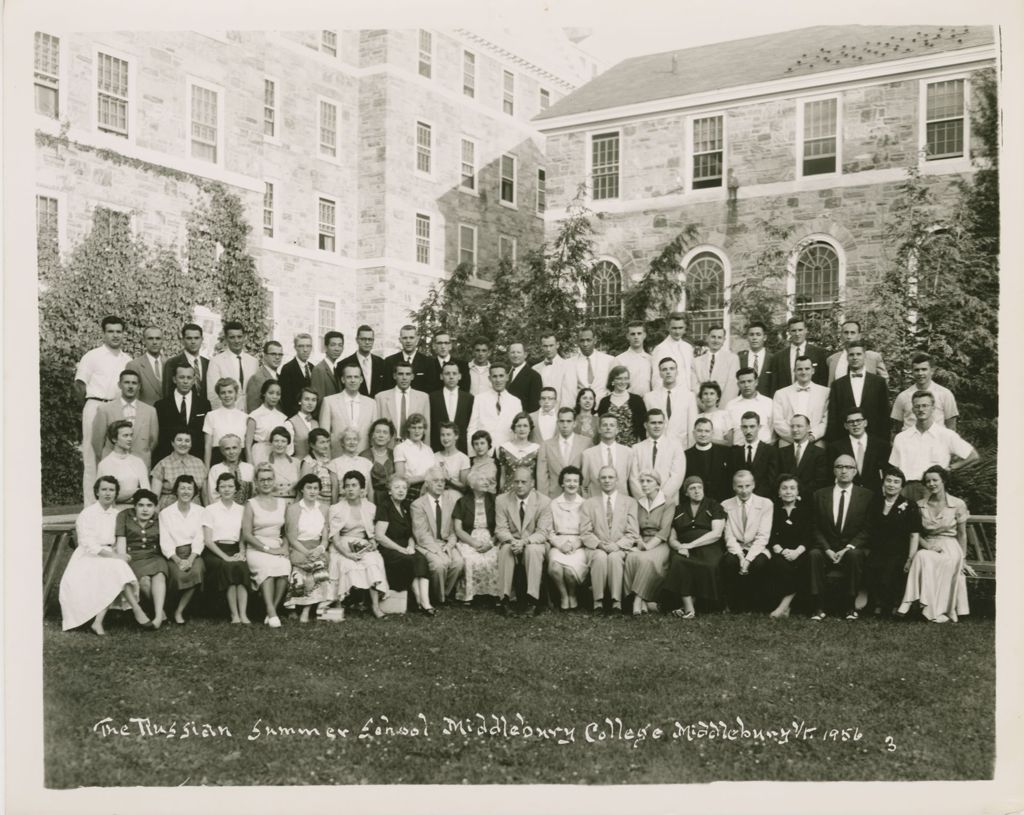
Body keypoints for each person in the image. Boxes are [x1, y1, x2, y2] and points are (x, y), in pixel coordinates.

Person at [60, 475, 154, 633]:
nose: (107, 493)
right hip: (88, 556)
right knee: (115, 567)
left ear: (116, 493)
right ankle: (137, 610)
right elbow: (88, 543)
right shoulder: (87, 513)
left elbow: (120, 538)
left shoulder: (118, 514)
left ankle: (99, 621)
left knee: (116, 567)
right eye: (104, 489)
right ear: (97, 492)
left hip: (111, 553)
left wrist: (119, 552)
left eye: (112, 490)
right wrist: (115, 556)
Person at [897, 465, 974, 623]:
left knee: (921, 557)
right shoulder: (920, 505)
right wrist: (927, 546)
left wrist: (963, 559)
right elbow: (915, 533)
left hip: (951, 547)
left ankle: (908, 602)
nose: (931, 484)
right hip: (928, 544)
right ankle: (925, 608)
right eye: (928, 481)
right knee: (923, 555)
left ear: (943, 481)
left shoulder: (957, 504)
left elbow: (962, 534)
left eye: (935, 480)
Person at [808, 455, 876, 621]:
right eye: (839, 467)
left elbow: (867, 528)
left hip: (851, 549)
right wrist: (827, 549)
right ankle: (818, 607)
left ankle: (849, 606)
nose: (844, 471)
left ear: (855, 471)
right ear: (834, 470)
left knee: (855, 555)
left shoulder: (867, 496)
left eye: (848, 467)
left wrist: (848, 548)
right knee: (814, 555)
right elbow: (815, 527)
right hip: (827, 548)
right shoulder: (819, 495)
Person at [889, 391, 979, 500]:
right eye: (917, 406)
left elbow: (973, 456)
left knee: (931, 517)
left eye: (925, 406)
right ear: (913, 410)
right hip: (906, 489)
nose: (921, 409)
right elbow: (895, 468)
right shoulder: (902, 437)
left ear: (933, 408)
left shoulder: (946, 435)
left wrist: (950, 468)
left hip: (932, 488)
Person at [662, 475, 726, 618]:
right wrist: (679, 547)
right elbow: (672, 536)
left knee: (710, 564)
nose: (697, 491)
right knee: (679, 561)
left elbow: (716, 533)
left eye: (699, 487)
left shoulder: (713, 505)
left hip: (708, 545)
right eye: (692, 488)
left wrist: (691, 545)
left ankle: (694, 604)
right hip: (683, 546)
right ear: (686, 493)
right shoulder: (679, 509)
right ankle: (689, 607)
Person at [580, 464, 641, 613]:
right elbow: (585, 532)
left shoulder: (630, 502)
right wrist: (599, 544)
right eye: (603, 478)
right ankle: (598, 602)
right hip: (597, 547)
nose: (607, 480)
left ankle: (616, 602)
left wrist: (618, 545)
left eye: (610, 477)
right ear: (599, 480)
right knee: (600, 557)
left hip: (620, 547)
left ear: (617, 480)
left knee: (614, 558)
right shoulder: (589, 503)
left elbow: (633, 532)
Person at [495, 466, 552, 615]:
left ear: (532, 483)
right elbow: (501, 529)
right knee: (506, 550)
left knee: (533, 551)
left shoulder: (544, 501)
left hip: (534, 542)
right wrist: (513, 541)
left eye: (523, 482)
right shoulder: (502, 500)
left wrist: (524, 542)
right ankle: (504, 599)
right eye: (516, 481)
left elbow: (542, 532)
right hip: (511, 541)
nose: (519, 485)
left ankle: (532, 600)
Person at [374, 474, 434, 615]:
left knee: (420, 558)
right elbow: (380, 536)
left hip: (405, 547)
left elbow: (410, 534)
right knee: (409, 560)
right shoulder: (385, 506)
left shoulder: (406, 507)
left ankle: (425, 602)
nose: (401, 491)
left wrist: (411, 546)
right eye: (397, 487)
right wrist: (401, 549)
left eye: (404, 488)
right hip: (388, 548)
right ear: (389, 490)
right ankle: (420, 600)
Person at [866, 465, 922, 616]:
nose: (891, 484)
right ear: (883, 483)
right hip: (877, 548)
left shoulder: (910, 505)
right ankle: (875, 604)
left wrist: (910, 558)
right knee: (873, 567)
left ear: (902, 486)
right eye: (888, 481)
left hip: (899, 550)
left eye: (896, 482)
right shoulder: (875, 502)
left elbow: (914, 534)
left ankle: (890, 605)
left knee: (890, 570)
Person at [241, 461, 291, 627]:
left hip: (276, 545)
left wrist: (283, 547)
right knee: (267, 569)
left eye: (269, 479)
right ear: (256, 482)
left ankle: (272, 612)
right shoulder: (250, 504)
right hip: (257, 547)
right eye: (262, 479)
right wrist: (267, 550)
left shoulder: (282, 503)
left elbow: (286, 532)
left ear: (274, 480)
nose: (266, 483)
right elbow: (247, 534)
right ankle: (271, 611)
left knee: (284, 568)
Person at [201, 472, 252, 624]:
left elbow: (243, 535)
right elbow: (208, 541)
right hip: (215, 551)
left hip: (235, 548)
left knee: (241, 566)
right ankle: (234, 614)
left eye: (230, 486)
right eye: (222, 486)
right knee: (229, 566)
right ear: (217, 489)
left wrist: (242, 551)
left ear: (236, 489)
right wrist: (225, 557)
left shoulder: (242, 509)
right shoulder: (210, 509)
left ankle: (243, 614)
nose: (227, 489)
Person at [720, 469, 773, 612]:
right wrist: (739, 555)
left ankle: (754, 604)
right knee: (730, 562)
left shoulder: (765, 504)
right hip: (736, 547)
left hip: (756, 547)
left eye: (747, 486)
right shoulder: (726, 505)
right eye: (740, 486)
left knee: (759, 563)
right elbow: (729, 535)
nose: (744, 490)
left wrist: (748, 559)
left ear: (754, 485)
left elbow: (763, 536)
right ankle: (734, 604)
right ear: (733, 487)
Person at [410, 467, 465, 604]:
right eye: (436, 481)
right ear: (427, 483)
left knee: (458, 563)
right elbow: (421, 534)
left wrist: (450, 545)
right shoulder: (417, 505)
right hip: (427, 545)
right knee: (440, 564)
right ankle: (437, 598)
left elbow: (454, 529)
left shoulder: (450, 500)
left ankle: (445, 594)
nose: (440, 484)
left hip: (446, 543)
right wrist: (438, 551)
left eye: (442, 481)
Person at [115, 488, 168, 628]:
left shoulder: (160, 518)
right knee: (144, 582)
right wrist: (122, 558)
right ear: (135, 506)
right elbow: (121, 539)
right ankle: (160, 611)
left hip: (154, 555)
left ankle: (157, 617)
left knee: (160, 575)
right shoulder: (124, 516)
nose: (145, 509)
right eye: (141, 505)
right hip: (134, 557)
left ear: (154, 507)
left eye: (149, 505)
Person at [283, 474, 332, 622]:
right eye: (309, 488)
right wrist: (306, 552)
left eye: (316, 488)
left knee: (318, 566)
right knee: (304, 570)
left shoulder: (324, 508)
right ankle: (297, 607)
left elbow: (325, 538)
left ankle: (306, 609)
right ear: (302, 490)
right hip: (299, 547)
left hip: (317, 548)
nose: (312, 491)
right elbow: (291, 537)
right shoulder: (293, 509)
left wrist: (320, 549)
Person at [158, 474, 207, 624]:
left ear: (194, 492)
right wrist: (178, 560)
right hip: (174, 554)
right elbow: (165, 541)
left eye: (189, 488)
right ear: (176, 491)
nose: (186, 492)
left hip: (194, 553)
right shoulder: (165, 513)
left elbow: (200, 538)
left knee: (197, 572)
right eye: (183, 488)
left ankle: (179, 611)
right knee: (178, 575)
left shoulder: (200, 511)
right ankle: (169, 607)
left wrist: (191, 559)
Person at [625, 470, 674, 615]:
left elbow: (665, 530)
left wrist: (647, 546)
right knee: (631, 558)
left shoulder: (668, 502)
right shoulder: (638, 502)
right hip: (641, 541)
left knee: (647, 560)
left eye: (649, 481)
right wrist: (639, 541)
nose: (644, 484)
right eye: (642, 481)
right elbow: (633, 526)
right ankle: (637, 599)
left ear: (658, 485)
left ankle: (638, 600)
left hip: (660, 543)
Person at [541, 465, 589, 610]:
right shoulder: (553, 504)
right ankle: (563, 595)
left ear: (579, 483)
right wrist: (559, 545)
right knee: (555, 567)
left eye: (575, 481)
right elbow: (548, 530)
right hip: (559, 542)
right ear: (562, 483)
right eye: (568, 481)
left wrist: (576, 544)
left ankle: (573, 595)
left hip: (578, 543)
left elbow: (588, 530)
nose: (571, 484)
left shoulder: (586, 504)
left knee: (569, 571)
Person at [766, 474, 812, 619]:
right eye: (784, 488)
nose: (788, 491)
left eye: (792, 488)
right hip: (779, 551)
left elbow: (809, 535)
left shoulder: (806, 510)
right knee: (778, 565)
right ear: (778, 492)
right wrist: (781, 550)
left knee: (803, 565)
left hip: (800, 551)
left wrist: (797, 552)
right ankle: (786, 606)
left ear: (798, 491)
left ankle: (783, 607)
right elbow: (769, 534)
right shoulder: (772, 509)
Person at [91, 369, 159, 468]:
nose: (130, 386)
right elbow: (97, 442)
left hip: (140, 464)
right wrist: (106, 461)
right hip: (113, 465)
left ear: (139, 386)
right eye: (126, 382)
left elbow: (153, 441)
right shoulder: (104, 410)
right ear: (119, 385)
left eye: (134, 383)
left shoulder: (150, 411)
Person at [453, 469, 501, 604]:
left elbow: (501, 525)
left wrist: (491, 543)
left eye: (487, 480)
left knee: (494, 557)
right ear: (472, 485)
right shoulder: (462, 502)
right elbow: (458, 529)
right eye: (481, 480)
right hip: (469, 538)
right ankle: (470, 595)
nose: (486, 482)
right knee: (470, 558)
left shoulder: (495, 500)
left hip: (491, 537)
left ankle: (495, 594)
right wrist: (473, 542)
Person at [826, 342, 889, 442]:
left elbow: (884, 414)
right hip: (844, 439)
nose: (855, 357)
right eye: (851, 354)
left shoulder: (879, 382)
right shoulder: (837, 385)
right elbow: (833, 417)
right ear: (847, 358)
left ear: (865, 356)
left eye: (858, 354)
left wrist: (885, 441)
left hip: (874, 439)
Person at [153, 363, 210, 464]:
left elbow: (205, 437)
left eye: (189, 378)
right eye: (181, 377)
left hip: (196, 461)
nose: (185, 381)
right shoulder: (161, 405)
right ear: (174, 379)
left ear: (194, 380)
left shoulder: (204, 404)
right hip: (169, 461)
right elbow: (158, 438)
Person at [890, 353, 959, 432]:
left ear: (932, 370)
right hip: (911, 442)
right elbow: (898, 427)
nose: (920, 373)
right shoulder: (903, 396)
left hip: (936, 442)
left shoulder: (945, 394)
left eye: (924, 369)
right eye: (916, 370)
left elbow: (951, 427)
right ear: (912, 371)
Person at [827, 409, 890, 494]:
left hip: (874, 494)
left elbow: (887, 472)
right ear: (846, 426)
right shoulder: (835, 447)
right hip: (848, 495)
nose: (855, 424)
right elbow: (831, 476)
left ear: (865, 423)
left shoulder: (881, 445)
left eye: (858, 420)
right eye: (851, 422)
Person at [628, 408, 685, 501]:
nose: (657, 426)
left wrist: (660, 498)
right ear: (646, 425)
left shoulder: (675, 446)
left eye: (660, 423)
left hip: (668, 500)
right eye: (653, 423)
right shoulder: (636, 448)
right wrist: (643, 498)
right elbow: (633, 478)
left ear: (664, 424)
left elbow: (677, 476)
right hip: (643, 502)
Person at [321, 362, 377, 456]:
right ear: (343, 379)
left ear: (361, 379)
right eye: (349, 377)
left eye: (356, 377)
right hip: (337, 455)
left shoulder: (371, 403)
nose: (353, 380)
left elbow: (374, 434)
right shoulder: (329, 401)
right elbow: (323, 434)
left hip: (364, 456)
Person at [772, 356, 829, 446]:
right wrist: (795, 437)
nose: (803, 372)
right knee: (782, 445)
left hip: (814, 439)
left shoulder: (825, 392)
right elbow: (778, 422)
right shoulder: (781, 393)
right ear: (794, 371)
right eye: (799, 369)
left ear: (813, 371)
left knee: (820, 446)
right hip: (789, 439)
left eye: (807, 369)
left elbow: (825, 421)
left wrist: (812, 436)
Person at [537, 407, 591, 498]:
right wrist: (544, 500)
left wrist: (586, 497)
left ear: (574, 423)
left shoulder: (586, 443)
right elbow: (542, 477)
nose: (565, 425)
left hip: (579, 497)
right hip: (554, 496)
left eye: (569, 421)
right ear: (557, 423)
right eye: (562, 421)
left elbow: (589, 474)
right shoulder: (546, 445)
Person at [645, 358, 698, 449]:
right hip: (657, 448)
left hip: (681, 448)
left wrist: (690, 451)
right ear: (660, 373)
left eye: (671, 369)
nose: (668, 372)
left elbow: (692, 426)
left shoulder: (689, 396)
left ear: (677, 372)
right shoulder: (649, 397)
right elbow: (647, 428)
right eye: (664, 369)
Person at [467, 362, 523, 450]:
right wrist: (473, 454)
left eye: (501, 376)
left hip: (508, 451)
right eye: (494, 376)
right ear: (489, 378)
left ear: (507, 377)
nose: (498, 380)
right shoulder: (479, 399)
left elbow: (518, 429)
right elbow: (472, 428)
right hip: (484, 451)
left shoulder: (515, 402)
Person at [150, 428, 207, 511]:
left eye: (187, 441)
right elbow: (154, 497)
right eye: (179, 440)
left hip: (195, 510)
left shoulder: (199, 463)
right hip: (169, 510)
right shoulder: (163, 464)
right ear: (173, 443)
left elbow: (205, 494)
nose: (183, 444)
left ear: (191, 444)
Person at [96, 420, 150, 508]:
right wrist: (135, 491)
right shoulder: (105, 464)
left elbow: (146, 492)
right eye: (125, 436)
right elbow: (106, 496)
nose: (130, 439)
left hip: (136, 510)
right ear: (114, 439)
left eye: (131, 435)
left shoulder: (138, 462)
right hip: (113, 511)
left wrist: (124, 496)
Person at [727, 412, 779, 498]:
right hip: (740, 499)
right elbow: (731, 479)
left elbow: (771, 479)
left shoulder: (770, 451)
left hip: (763, 499)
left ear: (759, 427)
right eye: (745, 427)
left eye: (752, 426)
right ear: (741, 428)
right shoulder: (735, 452)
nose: (748, 431)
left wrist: (755, 498)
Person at [375, 361, 430, 442]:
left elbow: (426, 429)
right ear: (394, 376)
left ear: (412, 376)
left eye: (408, 374)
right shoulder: (381, 397)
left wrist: (425, 450)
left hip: (413, 446)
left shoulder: (423, 397)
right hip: (388, 446)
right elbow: (376, 427)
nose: (404, 378)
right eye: (400, 374)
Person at [207, 321, 257, 409]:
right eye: (232, 337)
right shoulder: (216, 361)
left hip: (250, 414)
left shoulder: (253, 361)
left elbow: (255, 392)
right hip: (227, 415)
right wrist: (225, 415)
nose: (236, 341)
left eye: (239, 337)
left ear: (244, 337)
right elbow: (213, 394)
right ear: (226, 339)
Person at [580, 414, 632, 497]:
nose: (608, 428)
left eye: (612, 425)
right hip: (596, 503)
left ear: (617, 430)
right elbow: (584, 485)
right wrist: (588, 502)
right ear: (599, 429)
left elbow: (630, 480)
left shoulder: (628, 452)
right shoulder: (588, 454)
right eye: (605, 425)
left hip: (621, 502)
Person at [771, 316, 828, 389]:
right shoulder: (778, 357)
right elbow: (775, 385)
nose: (797, 334)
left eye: (800, 330)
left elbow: (823, 381)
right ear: (789, 332)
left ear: (806, 330)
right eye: (794, 331)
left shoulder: (819, 354)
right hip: (787, 398)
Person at [202, 377, 249, 468]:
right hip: (218, 459)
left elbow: (246, 446)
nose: (227, 395)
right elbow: (207, 446)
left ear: (236, 394)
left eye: (230, 392)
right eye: (223, 392)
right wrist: (207, 468)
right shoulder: (211, 416)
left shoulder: (245, 417)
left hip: (240, 459)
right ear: (219, 395)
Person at [778, 415, 828, 498]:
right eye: (792, 426)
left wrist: (798, 493)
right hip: (785, 499)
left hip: (809, 500)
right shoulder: (781, 452)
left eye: (799, 426)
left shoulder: (819, 453)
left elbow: (820, 481)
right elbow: (778, 479)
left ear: (808, 428)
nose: (794, 430)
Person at [428, 360, 474, 452]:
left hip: (462, 447)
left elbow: (470, 424)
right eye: (447, 374)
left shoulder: (469, 398)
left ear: (459, 376)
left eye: (454, 373)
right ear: (441, 376)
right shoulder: (432, 397)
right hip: (438, 447)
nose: (451, 377)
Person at [597, 365, 647, 446]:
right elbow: (601, 427)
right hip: (610, 446)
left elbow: (643, 427)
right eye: (619, 378)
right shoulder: (604, 402)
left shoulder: (637, 400)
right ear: (612, 380)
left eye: (626, 378)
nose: (623, 382)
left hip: (632, 447)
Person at [685, 418, 731, 503]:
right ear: (693, 433)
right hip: (696, 505)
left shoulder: (725, 453)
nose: (703, 434)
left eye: (707, 431)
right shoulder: (686, 456)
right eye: (699, 431)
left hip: (721, 503)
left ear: (712, 433)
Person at [827, 320, 888, 384]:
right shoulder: (832, 359)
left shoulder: (873, 358)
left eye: (852, 333)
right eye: (846, 333)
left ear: (859, 336)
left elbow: (884, 382)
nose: (849, 337)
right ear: (841, 335)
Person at [690, 325, 739, 404]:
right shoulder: (696, 362)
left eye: (719, 337)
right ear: (707, 338)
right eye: (713, 337)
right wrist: (704, 404)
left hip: (723, 407)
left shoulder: (732, 359)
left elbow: (732, 388)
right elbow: (694, 386)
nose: (716, 340)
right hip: (702, 406)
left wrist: (720, 408)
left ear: (724, 340)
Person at [725, 367, 774, 445]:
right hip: (739, 451)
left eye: (749, 381)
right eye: (742, 382)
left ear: (756, 382)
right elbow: (729, 433)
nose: (746, 385)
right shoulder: (731, 405)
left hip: (764, 450)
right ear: (738, 384)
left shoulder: (768, 402)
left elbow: (772, 429)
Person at [163, 322, 210, 401]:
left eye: (196, 338)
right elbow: (168, 393)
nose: (193, 341)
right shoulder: (172, 363)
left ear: (202, 339)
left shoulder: (208, 363)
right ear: (183, 340)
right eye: (189, 338)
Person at [245, 380, 288, 465]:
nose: (274, 397)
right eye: (271, 393)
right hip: (259, 453)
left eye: (278, 394)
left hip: (277, 453)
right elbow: (247, 444)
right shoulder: (254, 416)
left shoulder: (282, 417)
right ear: (264, 393)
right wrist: (249, 463)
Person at [649, 312, 694, 393]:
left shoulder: (688, 348)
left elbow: (691, 373)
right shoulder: (660, 349)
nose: (677, 332)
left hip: (687, 394)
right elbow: (657, 377)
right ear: (668, 328)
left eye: (680, 328)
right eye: (674, 328)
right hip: (669, 395)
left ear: (685, 328)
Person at [393, 414, 435, 500]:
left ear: (424, 430)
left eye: (420, 428)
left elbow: (434, 472)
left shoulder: (428, 449)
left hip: (430, 488)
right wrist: (424, 478)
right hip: (411, 490)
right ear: (408, 429)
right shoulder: (400, 448)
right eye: (413, 427)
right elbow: (401, 478)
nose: (417, 431)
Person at [339, 324, 387, 398]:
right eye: (363, 339)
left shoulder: (381, 363)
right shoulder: (344, 364)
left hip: (376, 406)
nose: (367, 342)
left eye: (370, 339)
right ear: (357, 340)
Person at [497, 412, 540, 492]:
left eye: (525, 426)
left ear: (530, 428)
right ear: (514, 428)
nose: (522, 429)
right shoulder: (505, 448)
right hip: (509, 491)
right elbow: (502, 476)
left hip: (529, 493)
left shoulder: (536, 449)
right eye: (519, 426)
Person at [125, 325, 168, 405]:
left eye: (158, 338)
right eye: (150, 338)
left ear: (162, 341)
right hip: (145, 415)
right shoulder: (134, 365)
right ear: (144, 341)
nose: (154, 342)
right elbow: (132, 398)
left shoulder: (170, 364)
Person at [384, 324, 432, 393]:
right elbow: (387, 388)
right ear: (400, 340)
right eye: (405, 338)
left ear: (417, 339)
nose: (408, 341)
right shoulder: (390, 361)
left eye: (411, 337)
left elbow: (430, 389)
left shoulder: (428, 362)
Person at [207, 434, 254, 505]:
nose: (231, 452)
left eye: (234, 448)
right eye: (227, 449)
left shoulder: (249, 468)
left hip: (247, 511)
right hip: (223, 512)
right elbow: (213, 497)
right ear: (222, 451)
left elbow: (254, 493)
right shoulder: (215, 469)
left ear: (240, 449)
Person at [299, 427, 340, 506]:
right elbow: (304, 490)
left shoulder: (330, 462)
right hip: (314, 505)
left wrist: (334, 507)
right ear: (312, 445)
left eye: (327, 442)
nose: (326, 446)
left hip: (329, 505)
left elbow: (335, 488)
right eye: (322, 442)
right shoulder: (308, 462)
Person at [533, 332, 576, 407]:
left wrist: (562, 416)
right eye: (545, 346)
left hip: (559, 413)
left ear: (557, 345)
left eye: (551, 345)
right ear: (541, 347)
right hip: (540, 413)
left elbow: (570, 396)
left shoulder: (568, 366)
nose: (548, 349)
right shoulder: (535, 368)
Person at [328, 427, 374, 497]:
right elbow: (335, 490)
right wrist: (334, 507)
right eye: (348, 439)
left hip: (363, 503)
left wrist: (372, 507)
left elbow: (370, 490)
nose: (352, 442)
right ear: (342, 443)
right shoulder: (335, 463)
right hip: (343, 503)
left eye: (355, 439)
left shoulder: (366, 463)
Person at [573, 325, 614, 401]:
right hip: (581, 409)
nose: (585, 344)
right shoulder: (571, 363)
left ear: (595, 340)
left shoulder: (609, 360)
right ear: (578, 342)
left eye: (588, 340)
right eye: (582, 340)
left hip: (602, 407)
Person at [361, 418, 397, 506]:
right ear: (372, 435)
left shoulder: (395, 454)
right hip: (371, 498)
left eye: (385, 432)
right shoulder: (364, 455)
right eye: (378, 432)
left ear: (389, 437)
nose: (381, 435)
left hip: (393, 498)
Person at [278, 333, 314, 417]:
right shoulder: (287, 369)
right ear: (295, 348)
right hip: (294, 417)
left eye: (308, 346)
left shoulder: (313, 368)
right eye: (301, 346)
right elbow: (286, 400)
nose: (305, 350)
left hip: (312, 417)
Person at [614, 321, 653, 397]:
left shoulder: (650, 359)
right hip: (628, 402)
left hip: (647, 403)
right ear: (627, 336)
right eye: (632, 334)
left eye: (639, 333)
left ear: (644, 335)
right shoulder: (620, 360)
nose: (636, 337)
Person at [737, 321, 775, 398]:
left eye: (758, 334)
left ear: (764, 337)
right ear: (747, 337)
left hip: (767, 403)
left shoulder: (773, 359)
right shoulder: (739, 359)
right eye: (751, 335)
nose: (754, 338)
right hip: (744, 403)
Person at [245, 341, 284, 413]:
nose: (277, 357)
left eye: (280, 354)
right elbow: (253, 410)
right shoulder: (256, 379)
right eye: (273, 354)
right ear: (264, 356)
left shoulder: (281, 377)